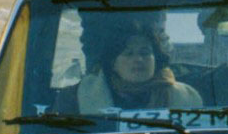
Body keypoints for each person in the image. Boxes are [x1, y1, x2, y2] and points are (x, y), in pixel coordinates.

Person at [55, 17, 202, 113]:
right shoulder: (77, 97)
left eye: (145, 53)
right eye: (128, 53)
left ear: (156, 60)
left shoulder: (186, 98)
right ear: (112, 63)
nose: (138, 59)